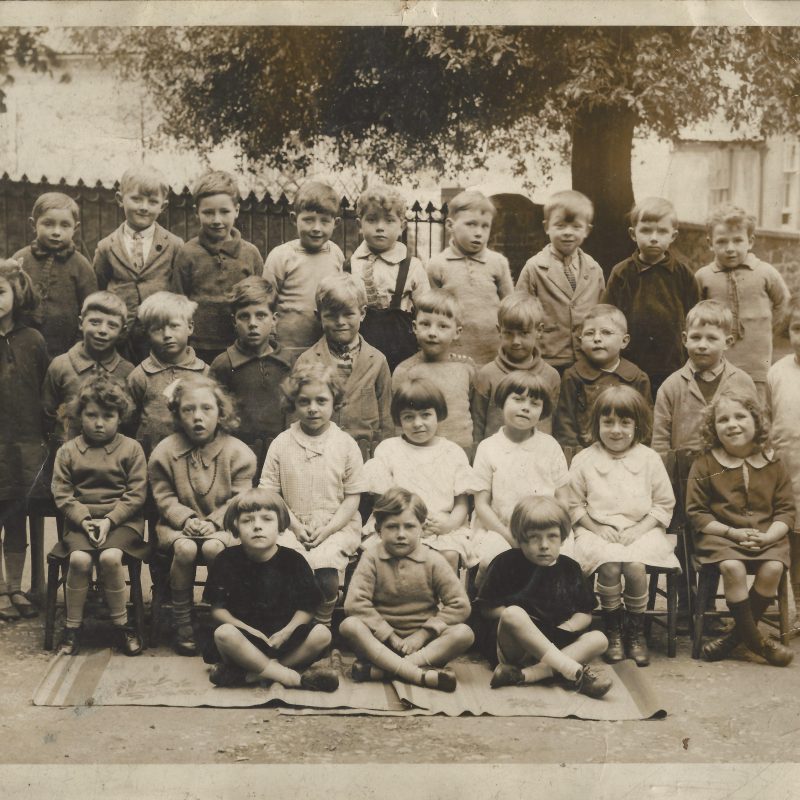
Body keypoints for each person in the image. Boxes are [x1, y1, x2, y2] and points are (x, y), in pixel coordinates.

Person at [567, 386, 678, 667]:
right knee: (610, 564)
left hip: (642, 528)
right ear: (597, 424)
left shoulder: (649, 459)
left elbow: (663, 504)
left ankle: (635, 629)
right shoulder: (584, 460)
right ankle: (613, 627)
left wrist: (640, 530)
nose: (616, 430)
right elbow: (573, 504)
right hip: (596, 529)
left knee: (635, 566)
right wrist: (594, 526)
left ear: (637, 425)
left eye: (625, 423)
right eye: (608, 422)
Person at [148, 375, 256, 655]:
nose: (198, 417)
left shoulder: (238, 453)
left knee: (214, 549)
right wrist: (185, 519)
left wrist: (212, 522)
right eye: (188, 409)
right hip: (176, 527)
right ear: (177, 414)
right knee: (184, 549)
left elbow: (240, 497)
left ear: (221, 413)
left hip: (225, 526)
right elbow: (164, 496)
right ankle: (183, 622)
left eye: (207, 409)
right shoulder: (164, 452)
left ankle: (221, 618)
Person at [685, 389, 795, 666]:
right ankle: (759, 644)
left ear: (757, 421)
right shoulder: (706, 462)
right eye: (723, 420)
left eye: (740, 416)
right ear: (713, 428)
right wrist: (731, 533)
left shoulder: (773, 462)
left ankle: (734, 639)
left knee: (773, 568)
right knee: (731, 567)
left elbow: (786, 510)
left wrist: (769, 536)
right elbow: (696, 512)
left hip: (766, 535)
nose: (732, 424)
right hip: (721, 536)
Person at [259, 363, 366, 629]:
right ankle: (290, 623)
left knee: (324, 564)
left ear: (335, 402)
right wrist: (293, 525)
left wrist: (329, 529)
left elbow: (353, 497)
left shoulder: (345, 444)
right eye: (304, 401)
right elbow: (270, 493)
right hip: (289, 523)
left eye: (321, 401)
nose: (313, 408)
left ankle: (323, 623)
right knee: (284, 561)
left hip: (337, 524)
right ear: (293, 403)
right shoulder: (282, 443)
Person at [202, 488, 339, 691]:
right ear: (235, 526)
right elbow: (218, 610)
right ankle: (289, 677)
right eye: (247, 520)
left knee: (322, 634)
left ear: (281, 525)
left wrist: (287, 631)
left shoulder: (294, 560)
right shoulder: (226, 560)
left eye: (266, 519)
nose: (257, 526)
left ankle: (253, 674)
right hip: (245, 639)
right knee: (223, 634)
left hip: (285, 640)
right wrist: (248, 630)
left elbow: (307, 608)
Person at [50, 375, 148, 656]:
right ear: (80, 416)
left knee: (110, 557)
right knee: (79, 560)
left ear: (121, 417)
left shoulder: (131, 449)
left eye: (108, 415)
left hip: (122, 523)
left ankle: (122, 625)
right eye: (92, 415)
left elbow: (136, 494)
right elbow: (63, 494)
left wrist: (109, 520)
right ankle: (72, 627)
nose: (99, 422)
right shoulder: (68, 452)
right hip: (81, 524)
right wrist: (84, 520)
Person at [475, 496, 611, 697]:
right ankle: (574, 671)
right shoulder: (505, 563)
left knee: (599, 639)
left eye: (552, 536)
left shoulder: (570, 568)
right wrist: (527, 626)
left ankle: (524, 675)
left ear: (563, 537)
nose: (544, 545)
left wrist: (566, 628)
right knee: (513, 614)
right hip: (516, 646)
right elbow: (487, 608)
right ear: (520, 538)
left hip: (556, 639)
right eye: (534, 537)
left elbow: (585, 613)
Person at [340, 487, 473, 692]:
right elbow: (355, 603)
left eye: (409, 526)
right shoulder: (372, 557)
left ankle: (386, 670)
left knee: (464, 633)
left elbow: (460, 605)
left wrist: (422, 635)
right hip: (380, 643)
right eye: (392, 527)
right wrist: (389, 636)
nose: (401, 535)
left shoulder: (433, 559)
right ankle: (417, 673)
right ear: (378, 530)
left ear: (422, 527)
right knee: (349, 626)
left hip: (424, 645)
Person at [364, 379, 481, 572]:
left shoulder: (453, 452)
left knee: (449, 554)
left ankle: (445, 600)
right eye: (409, 417)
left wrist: (448, 525)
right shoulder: (388, 450)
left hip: (440, 526)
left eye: (426, 415)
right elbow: (381, 501)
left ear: (439, 415)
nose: (418, 424)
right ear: (399, 419)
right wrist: (404, 523)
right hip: (397, 524)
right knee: (385, 554)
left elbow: (462, 503)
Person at [472, 371, 570, 586]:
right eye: (517, 400)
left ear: (543, 411)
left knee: (569, 562)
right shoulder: (488, 447)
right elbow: (481, 504)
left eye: (535, 403)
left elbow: (563, 498)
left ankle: (549, 610)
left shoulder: (550, 446)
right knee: (491, 560)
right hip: (500, 527)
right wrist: (509, 536)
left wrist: (556, 531)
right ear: (502, 401)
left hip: (545, 528)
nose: (526, 407)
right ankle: (485, 606)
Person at [603, 197, 699, 396]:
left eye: (662, 231)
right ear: (633, 234)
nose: (654, 237)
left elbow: (695, 319)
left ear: (673, 236)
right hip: (630, 364)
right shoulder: (622, 273)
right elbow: (607, 317)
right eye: (646, 230)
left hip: (673, 364)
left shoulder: (683, 274)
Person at [695, 205, 789, 403]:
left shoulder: (765, 272)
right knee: (716, 412)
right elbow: (694, 315)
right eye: (722, 241)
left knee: (756, 413)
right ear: (710, 243)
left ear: (750, 241)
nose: (730, 248)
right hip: (716, 364)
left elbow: (783, 302)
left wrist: (766, 328)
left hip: (756, 365)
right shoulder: (704, 277)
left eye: (738, 240)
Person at [295, 273, 392, 460]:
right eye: (331, 316)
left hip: (366, 458)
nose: (340, 322)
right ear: (319, 316)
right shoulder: (306, 361)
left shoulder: (377, 361)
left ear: (362, 313)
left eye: (348, 314)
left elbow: (387, 420)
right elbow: (295, 419)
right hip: (320, 456)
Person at [93, 164, 184, 363]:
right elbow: (99, 289)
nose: (144, 207)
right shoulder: (107, 246)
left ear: (163, 206)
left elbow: (179, 291)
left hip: (158, 334)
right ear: (120, 199)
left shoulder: (175, 245)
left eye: (152, 202)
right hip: (119, 336)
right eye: (136, 199)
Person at [0, 262, 50, 621]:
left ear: (16, 294)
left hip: (22, 444)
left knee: (16, 515)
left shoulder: (32, 340)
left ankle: (15, 588)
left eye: (0, 292)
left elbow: (45, 393)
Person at [174, 170, 264, 363]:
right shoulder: (187, 253)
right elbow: (179, 302)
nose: (217, 220)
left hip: (241, 346)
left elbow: (260, 301)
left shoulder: (250, 254)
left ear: (237, 210)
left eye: (224, 212)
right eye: (208, 212)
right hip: (198, 347)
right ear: (196, 212)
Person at [515, 190, 605, 374]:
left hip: (586, 358)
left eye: (576, 227)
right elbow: (519, 315)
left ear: (587, 230)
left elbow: (601, 311)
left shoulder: (594, 269)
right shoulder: (534, 268)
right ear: (547, 227)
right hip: (547, 359)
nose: (568, 233)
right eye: (560, 225)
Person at [652, 300, 756, 455]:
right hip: (684, 472)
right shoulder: (671, 386)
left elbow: (757, 430)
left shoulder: (742, 381)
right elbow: (660, 441)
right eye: (696, 337)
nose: (702, 345)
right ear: (685, 339)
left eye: (711, 338)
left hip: (730, 468)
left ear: (727, 342)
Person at [209, 274, 291, 474]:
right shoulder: (223, 364)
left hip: (281, 455)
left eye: (260, 315)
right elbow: (215, 415)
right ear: (234, 321)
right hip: (238, 457)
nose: (252, 323)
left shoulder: (289, 362)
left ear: (274, 319)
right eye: (244, 316)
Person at [345, 184, 429, 371]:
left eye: (389, 220)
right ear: (360, 225)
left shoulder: (412, 266)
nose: (380, 227)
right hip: (359, 350)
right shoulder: (351, 266)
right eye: (372, 220)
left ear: (402, 226)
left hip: (402, 351)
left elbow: (426, 312)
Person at [426, 190, 513, 366]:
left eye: (485, 226)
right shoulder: (437, 265)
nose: (479, 232)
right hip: (454, 354)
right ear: (450, 225)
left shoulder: (498, 262)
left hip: (494, 353)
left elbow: (510, 307)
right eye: (471, 224)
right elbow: (432, 313)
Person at [264, 180, 344, 364]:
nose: (316, 228)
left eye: (325, 221)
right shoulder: (281, 256)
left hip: (325, 349)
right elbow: (265, 302)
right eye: (308, 220)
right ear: (294, 219)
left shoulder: (336, 254)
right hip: (285, 349)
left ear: (336, 223)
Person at [553, 304, 651, 450]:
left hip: (627, 454)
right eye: (589, 333)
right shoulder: (573, 376)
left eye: (606, 332)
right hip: (584, 455)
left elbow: (645, 426)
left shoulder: (637, 378)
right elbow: (565, 425)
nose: (597, 338)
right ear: (580, 341)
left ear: (624, 341)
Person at [42, 291, 133, 445]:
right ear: (80, 323)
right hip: (68, 455)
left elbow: (129, 421)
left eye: (112, 325)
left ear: (122, 331)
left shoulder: (128, 371)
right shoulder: (61, 365)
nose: (102, 330)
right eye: (95, 322)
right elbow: (47, 413)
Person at [12, 191, 97, 358]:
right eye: (48, 224)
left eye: (65, 225)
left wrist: (80, 345)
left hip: (67, 348)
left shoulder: (81, 265)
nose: (56, 232)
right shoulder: (20, 260)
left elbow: (91, 309)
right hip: (22, 346)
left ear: (76, 228)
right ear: (33, 224)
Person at [392, 289, 478, 454]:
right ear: (415, 327)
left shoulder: (467, 367)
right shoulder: (405, 371)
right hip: (421, 453)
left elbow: (477, 414)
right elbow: (398, 424)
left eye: (443, 326)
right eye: (425, 324)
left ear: (457, 332)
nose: (432, 332)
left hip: (462, 453)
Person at [127, 291, 207, 451]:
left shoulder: (205, 374)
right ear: (147, 334)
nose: (167, 335)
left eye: (174, 326)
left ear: (190, 327)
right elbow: (128, 421)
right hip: (150, 456)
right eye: (158, 329)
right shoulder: (140, 375)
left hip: (193, 455)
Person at [473, 292, 560, 440]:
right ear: (499, 331)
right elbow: (478, 422)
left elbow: (553, 422)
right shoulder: (487, 374)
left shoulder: (551, 376)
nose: (516, 341)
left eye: (524, 333)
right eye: (508, 333)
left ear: (539, 330)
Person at [766, 295, 800, 625]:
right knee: (794, 545)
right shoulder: (778, 373)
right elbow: (768, 421)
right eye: (798, 328)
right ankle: (798, 609)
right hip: (788, 475)